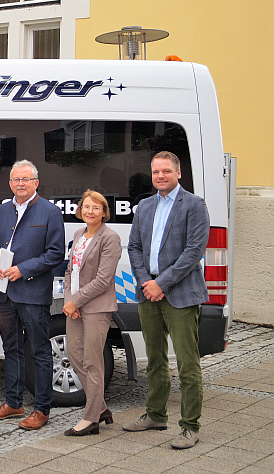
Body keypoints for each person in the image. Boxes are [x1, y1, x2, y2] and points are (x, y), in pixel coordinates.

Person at [123, 151, 209, 449]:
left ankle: (190, 426)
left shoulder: (195, 205)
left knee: (187, 363)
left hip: (180, 294)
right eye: (156, 171)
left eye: (166, 171)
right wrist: (146, 281)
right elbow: (134, 247)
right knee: (155, 359)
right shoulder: (145, 206)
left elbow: (194, 252)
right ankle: (156, 415)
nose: (160, 176)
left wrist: (162, 283)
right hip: (148, 293)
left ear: (178, 173)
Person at [0, 160, 65, 430]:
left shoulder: (50, 212)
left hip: (32, 293)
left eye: (25, 179)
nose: (20, 183)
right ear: (10, 184)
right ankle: (13, 403)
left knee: (40, 352)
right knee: (11, 349)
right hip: (4, 294)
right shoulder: (2, 211)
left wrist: (23, 269)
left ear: (35, 183)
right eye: (16, 179)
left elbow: (55, 254)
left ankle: (42, 410)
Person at [61, 191, 121, 436]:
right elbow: (69, 271)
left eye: (96, 208)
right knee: (75, 356)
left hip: (96, 307)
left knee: (93, 362)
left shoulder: (111, 237)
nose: (90, 211)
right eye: (86, 207)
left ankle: (90, 418)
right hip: (74, 307)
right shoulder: (78, 234)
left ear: (104, 212)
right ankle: (102, 408)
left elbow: (103, 280)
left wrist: (76, 301)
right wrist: (69, 301)